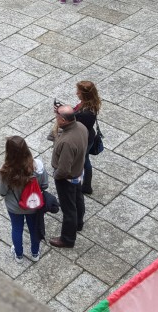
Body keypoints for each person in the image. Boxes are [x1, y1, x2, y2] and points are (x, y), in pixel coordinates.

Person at [0, 135, 49, 262]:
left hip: (14, 207)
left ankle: (19, 255)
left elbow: (2, 192)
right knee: (33, 228)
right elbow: (45, 185)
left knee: (16, 228)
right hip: (33, 205)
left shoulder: (5, 171)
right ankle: (35, 253)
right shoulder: (37, 166)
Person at [49, 104, 88, 248]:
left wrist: (56, 175)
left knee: (68, 209)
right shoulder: (81, 127)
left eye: (57, 117)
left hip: (67, 178)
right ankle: (78, 224)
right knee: (78, 198)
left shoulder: (67, 141)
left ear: (64, 121)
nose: (55, 119)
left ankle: (67, 239)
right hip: (78, 171)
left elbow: (64, 169)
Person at [74, 81, 101, 194]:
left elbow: (75, 123)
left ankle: (85, 186)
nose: (76, 94)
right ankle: (86, 186)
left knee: (84, 162)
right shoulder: (90, 104)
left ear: (85, 95)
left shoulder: (85, 113)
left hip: (83, 139)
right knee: (85, 161)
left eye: (79, 92)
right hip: (89, 136)